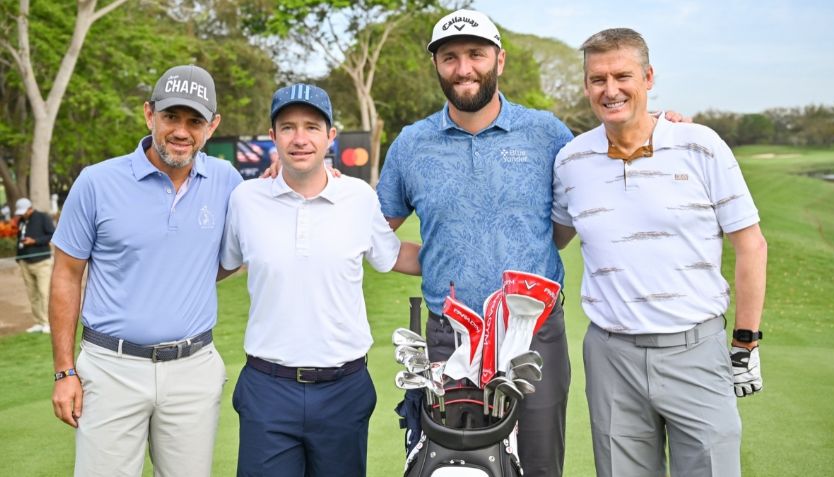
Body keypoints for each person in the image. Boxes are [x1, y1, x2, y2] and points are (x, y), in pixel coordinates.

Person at [551, 28, 767, 477]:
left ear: (648, 77)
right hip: (611, 356)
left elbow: (750, 245)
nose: (610, 90)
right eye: (597, 79)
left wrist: (745, 342)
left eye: (622, 76)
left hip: (695, 350)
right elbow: (552, 237)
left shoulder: (700, 145)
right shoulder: (570, 160)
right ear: (587, 85)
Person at [376, 9, 574, 476]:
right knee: (451, 467)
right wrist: (443, 261)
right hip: (449, 338)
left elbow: (563, 228)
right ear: (437, 66)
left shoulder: (547, 133)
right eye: (450, 57)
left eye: (476, 55)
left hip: (534, 335)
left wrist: (664, 128)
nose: (464, 68)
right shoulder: (412, 144)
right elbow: (373, 235)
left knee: (540, 465)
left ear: (499, 60)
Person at [49, 64, 243, 476]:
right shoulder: (96, 182)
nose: (181, 131)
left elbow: (233, 254)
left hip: (193, 368)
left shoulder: (227, 180)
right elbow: (66, 274)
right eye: (171, 116)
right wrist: (64, 370)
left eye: (195, 120)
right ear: (149, 114)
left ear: (213, 125)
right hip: (111, 367)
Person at [220, 83, 421, 476]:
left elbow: (393, 254)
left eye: (312, 127)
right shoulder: (245, 200)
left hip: (343, 388)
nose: (299, 138)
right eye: (288, 127)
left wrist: (462, 256)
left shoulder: (359, 197)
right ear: (273, 136)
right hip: (268, 387)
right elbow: (220, 264)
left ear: (330, 136)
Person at [14, 197, 55, 334]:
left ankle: (47, 323)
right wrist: (19, 258)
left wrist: (35, 241)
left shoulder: (43, 217)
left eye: (23, 211)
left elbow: (52, 235)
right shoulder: (22, 221)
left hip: (42, 262)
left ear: (30, 208)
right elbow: (19, 238)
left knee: (44, 293)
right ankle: (38, 321)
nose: (22, 214)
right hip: (25, 262)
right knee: (32, 295)